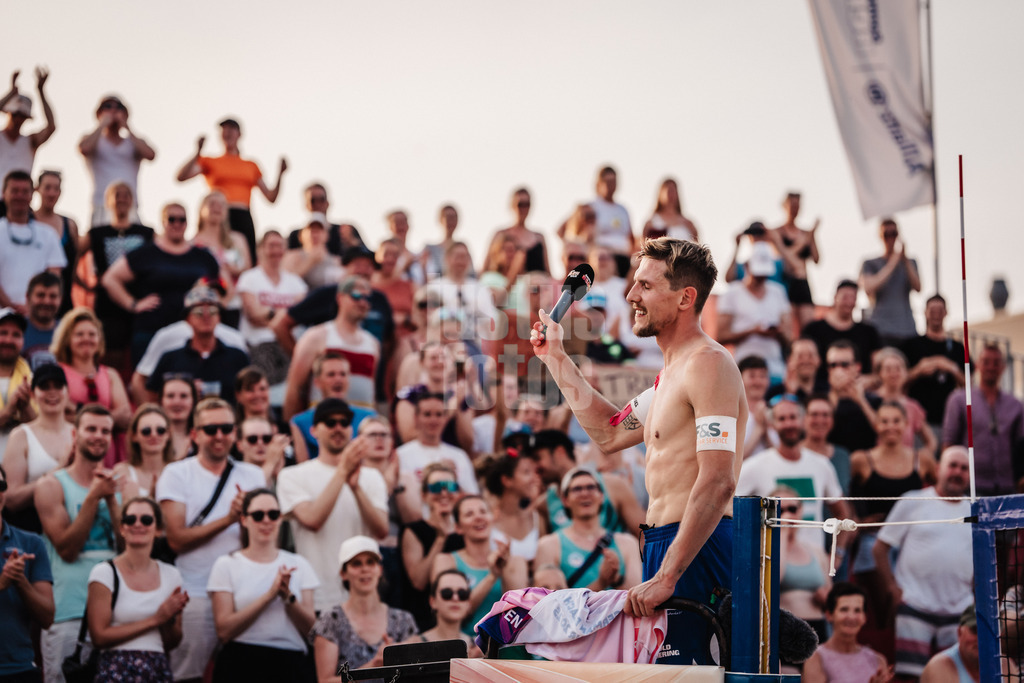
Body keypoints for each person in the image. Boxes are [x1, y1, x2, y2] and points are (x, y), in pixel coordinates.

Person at [530, 236, 743, 664]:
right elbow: (609, 433)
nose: (630, 296)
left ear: (685, 298)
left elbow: (718, 480)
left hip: (696, 548)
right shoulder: (671, 376)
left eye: (645, 286)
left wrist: (669, 574)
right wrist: (556, 358)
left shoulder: (709, 363)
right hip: (667, 546)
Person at [155, 397, 266, 683]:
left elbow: (259, 539)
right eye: (211, 428)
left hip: (243, 593)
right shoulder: (176, 473)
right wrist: (228, 519)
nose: (219, 435)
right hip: (195, 591)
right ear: (194, 434)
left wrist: (247, 520)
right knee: (187, 675)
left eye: (226, 428)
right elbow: (176, 539)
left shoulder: (253, 474)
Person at [33, 405, 120, 683]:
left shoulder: (115, 487)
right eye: (91, 429)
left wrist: (111, 500)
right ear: (75, 434)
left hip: (115, 614)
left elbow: (129, 547)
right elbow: (67, 550)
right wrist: (94, 497)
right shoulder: (51, 485)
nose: (98, 436)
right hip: (69, 612)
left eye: (105, 430)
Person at [276, 398, 388, 613]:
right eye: (330, 422)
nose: (338, 428)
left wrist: (356, 489)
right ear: (314, 430)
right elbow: (312, 520)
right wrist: (343, 472)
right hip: (317, 596)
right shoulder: (292, 476)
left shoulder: (371, 476)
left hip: (363, 598)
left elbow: (381, 530)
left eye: (344, 422)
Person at [873, 446, 974, 681]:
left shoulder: (975, 510)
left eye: (964, 468)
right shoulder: (912, 501)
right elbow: (880, 548)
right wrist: (892, 587)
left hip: (959, 610)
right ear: (938, 469)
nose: (957, 472)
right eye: (953, 466)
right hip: (914, 605)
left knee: (955, 677)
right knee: (911, 677)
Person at [208, 489, 317, 683]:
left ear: (280, 518)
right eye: (258, 516)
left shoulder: (299, 564)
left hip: (290, 662)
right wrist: (269, 595)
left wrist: (287, 597)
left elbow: (312, 631)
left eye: (273, 514)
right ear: (244, 520)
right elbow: (224, 630)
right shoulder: (227, 564)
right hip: (242, 660)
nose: (266, 521)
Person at [100, 202, 221, 365]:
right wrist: (133, 304)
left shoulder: (203, 256)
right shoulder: (146, 254)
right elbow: (110, 279)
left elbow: (220, 286)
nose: (177, 224)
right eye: (171, 219)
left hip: (192, 334)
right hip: (151, 330)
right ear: (163, 222)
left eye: (181, 219)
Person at [85, 497, 186, 683]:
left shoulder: (172, 575)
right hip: (115, 667)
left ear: (158, 529)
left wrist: (168, 619)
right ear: (122, 528)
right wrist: (155, 619)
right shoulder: (104, 572)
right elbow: (98, 637)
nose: (137, 524)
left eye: (146, 520)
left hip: (156, 667)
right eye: (130, 520)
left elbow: (173, 642)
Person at [734, 395, 851, 551]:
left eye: (793, 417)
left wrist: (837, 555)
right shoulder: (755, 466)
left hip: (814, 562)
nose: (789, 423)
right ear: (772, 424)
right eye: (782, 419)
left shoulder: (822, 465)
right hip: (771, 565)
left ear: (802, 421)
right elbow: (731, 511)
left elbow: (842, 513)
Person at [175, 118, 288, 263]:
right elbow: (181, 176)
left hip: (243, 216)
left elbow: (271, 197)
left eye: (231, 129)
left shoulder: (251, 165)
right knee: (219, 255)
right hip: (220, 215)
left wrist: (280, 175)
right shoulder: (210, 161)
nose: (228, 133)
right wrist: (197, 153)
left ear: (239, 134)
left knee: (246, 259)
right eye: (224, 130)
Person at [312, 536, 418, 675]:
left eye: (370, 562)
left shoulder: (403, 620)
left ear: (379, 570)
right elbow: (325, 681)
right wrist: (374, 666)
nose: (365, 569)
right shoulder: (330, 621)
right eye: (356, 564)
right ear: (343, 573)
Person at [282, 275, 381, 417]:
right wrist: (292, 426)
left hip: (361, 425)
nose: (362, 303)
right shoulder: (316, 336)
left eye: (367, 298)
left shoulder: (372, 343)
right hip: (324, 422)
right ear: (340, 298)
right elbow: (295, 387)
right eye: (356, 296)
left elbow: (371, 392)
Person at [82, 181, 154, 373]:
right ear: (108, 201)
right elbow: (73, 256)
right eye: (117, 195)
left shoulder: (146, 233)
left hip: (139, 299)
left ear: (132, 201)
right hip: (108, 304)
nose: (122, 199)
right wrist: (80, 282)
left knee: (140, 352)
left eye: (126, 195)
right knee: (111, 353)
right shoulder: (97, 233)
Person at [431, 496, 528, 636]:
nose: (478, 517)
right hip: (463, 645)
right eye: (469, 514)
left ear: (492, 517)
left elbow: (518, 614)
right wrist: (492, 577)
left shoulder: (516, 561)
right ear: (457, 527)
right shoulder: (446, 561)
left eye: (483, 512)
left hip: (503, 646)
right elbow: (448, 611)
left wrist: (504, 568)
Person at [534, 467, 642, 592]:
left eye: (591, 487)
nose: (585, 493)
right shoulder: (548, 546)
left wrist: (616, 579)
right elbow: (548, 604)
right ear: (565, 500)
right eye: (577, 489)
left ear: (602, 496)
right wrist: (601, 583)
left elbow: (637, 600)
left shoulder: (628, 543)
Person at [144, 284, 251, 405]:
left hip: (228, 421)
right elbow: (152, 394)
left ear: (219, 317)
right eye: (199, 311)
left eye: (212, 310)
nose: (206, 316)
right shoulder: (170, 358)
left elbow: (252, 391)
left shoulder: (237, 356)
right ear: (187, 319)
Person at [51, 308, 131, 467]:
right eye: (79, 334)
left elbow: (126, 416)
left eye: (92, 334)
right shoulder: (57, 373)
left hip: (109, 455)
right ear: (67, 339)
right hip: (71, 453)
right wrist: (108, 419)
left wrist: (78, 412)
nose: (86, 339)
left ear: (99, 340)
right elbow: (58, 416)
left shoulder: (111, 374)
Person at [942, 343, 1024, 497]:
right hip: (971, 486)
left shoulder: (1015, 405)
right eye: (986, 362)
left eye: (996, 362)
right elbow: (949, 443)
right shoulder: (960, 399)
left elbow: (1021, 445)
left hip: (1006, 486)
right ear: (977, 365)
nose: (991, 367)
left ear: (1003, 367)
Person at [0, 461, 56, 683]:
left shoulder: (31, 543)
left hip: (19, 668)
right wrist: (3, 582)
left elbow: (47, 617)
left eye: (0, 485)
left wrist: (20, 580)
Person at [2, 363, 73, 533]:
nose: (52, 392)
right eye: (44, 387)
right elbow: (11, 500)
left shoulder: (80, 433)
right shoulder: (21, 436)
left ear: (67, 391)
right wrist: (59, 470)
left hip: (74, 525)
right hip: (33, 528)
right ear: (33, 394)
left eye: (58, 386)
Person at [236, 230, 308, 385]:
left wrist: (268, 313)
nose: (276, 250)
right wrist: (286, 316)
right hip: (258, 345)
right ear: (260, 249)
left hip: (290, 345)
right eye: (271, 246)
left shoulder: (296, 282)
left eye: (279, 246)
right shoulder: (249, 278)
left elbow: (302, 315)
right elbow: (254, 315)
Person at [716, 241, 793, 384]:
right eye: (758, 274)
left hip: (775, 371)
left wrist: (778, 332)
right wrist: (753, 331)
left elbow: (789, 338)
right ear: (746, 266)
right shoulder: (732, 293)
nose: (761, 278)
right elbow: (720, 336)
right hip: (743, 370)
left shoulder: (778, 292)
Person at [77, 95, 156, 226]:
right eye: (107, 107)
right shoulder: (94, 140)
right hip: (101, 205)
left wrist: (128, 128)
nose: (113, 111)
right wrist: (102, 124)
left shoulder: (133, 142)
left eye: (118, 108)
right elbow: (84, 148)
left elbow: (151, 155)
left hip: (130, 207)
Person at [400, 463, 459, 630]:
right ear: (424, 495)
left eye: (450, 486)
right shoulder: (413, 531)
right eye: (436, 487)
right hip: (424, 620)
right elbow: (418, 581)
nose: (444, 493)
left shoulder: (465, 532)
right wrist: (440, 539)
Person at [289, 352, 376, 462]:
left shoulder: (369, 417)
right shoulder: (300, 422)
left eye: (343, 374)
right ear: (317, 382)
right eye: (331, 374)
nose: (338, 379)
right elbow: (303, 466)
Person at [0, 170, 65, 312]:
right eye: (14, 191)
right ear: (4, 194)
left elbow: (54, 277)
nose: (20, 196)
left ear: (31, 195)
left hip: (36, 317)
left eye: (25, 192)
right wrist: (10, 306)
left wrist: (33, 306)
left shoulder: (48, 235)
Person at [774, 487, 831, 644]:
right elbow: (774, 579)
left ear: (800, 510)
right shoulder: (765, 550)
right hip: (784, 628)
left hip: (817, 627)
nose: (787, 515)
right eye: (780, 509)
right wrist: (783, 532)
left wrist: (825, 597)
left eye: (792, 509)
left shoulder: (815, 551)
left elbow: (831, 595)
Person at [901, 294, 966, 433]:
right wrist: (918, 370)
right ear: (925, 313)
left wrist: (951, 368)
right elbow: (900, 382)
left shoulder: (957, 347)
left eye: (940, 311)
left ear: (946, 313)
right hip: (919, 423)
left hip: (949, 420)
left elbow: (968, 386)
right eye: (932, 311)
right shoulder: (911, 345)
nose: (936, 315)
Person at [802, 582, 892, 683]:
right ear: (829, 615)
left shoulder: (877, 660)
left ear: (864, 617)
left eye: (857, 610)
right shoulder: (816, 659)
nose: (851, 617)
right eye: (844, 610)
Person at [802, 279, 882, 391]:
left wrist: (870, 379)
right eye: (845, 297)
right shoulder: (813, 329)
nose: (849, 302)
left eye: (853, 298)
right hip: (821, 390)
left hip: (860, 390)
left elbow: (879, 367)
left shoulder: (869, 331)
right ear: (835, 297)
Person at [396, 393, 479, 494]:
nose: (433, 420)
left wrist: (452, 479)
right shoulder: (401, 455)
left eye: (439, 414)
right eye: (427, 414)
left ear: (446, 418)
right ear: (416, 418)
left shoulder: (459, 456)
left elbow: (472, 496)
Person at [860, 218, 921, 346]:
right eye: (886, 234)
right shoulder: (870, 263)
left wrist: (904, 260)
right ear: (880, 236)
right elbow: (869, 288)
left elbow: (918, 287)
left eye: (893, 233)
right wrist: (893, 260)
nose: (890, 238)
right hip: (881, 329)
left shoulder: (910, 262)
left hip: (907, 328)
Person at [191, 192, 248, 327]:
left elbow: (247, 268)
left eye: (222, 205)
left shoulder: (237, 239)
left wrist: (233, 270)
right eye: (212, 204)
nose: (217, 208)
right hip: (207, 306)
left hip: (237, 305)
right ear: (201, 209)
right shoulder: (193, 244)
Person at [401, 569, 483, 657]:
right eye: (447, 593)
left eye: (462, 594)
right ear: (432, 601)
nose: (455, 598)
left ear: (468, 603)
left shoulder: (480, 648)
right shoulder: (414, 645)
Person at [872, 347, 938, 456]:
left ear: (906, 372)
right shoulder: (870, 400)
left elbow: (931, 442)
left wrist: (916, 461)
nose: (894, 373)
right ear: (879, 373)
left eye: (898, 368)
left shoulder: (912, 406)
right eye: (888, 369)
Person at [483, 450, 544, 565]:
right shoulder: (486, 520)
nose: (533, 479)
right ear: (507, 480)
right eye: (526, 472)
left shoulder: (537, 519)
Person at [31, 172, 78, 316]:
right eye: (47, 188)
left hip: (62, 302)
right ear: (37, 189)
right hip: (33, 302)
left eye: (56, 188)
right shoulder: (27, 221)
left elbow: (74, 264)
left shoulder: (70, 224)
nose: (52, 193)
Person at [771, 191, 820, 329]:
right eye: (792, 205)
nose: (795, 209)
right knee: (787, 327)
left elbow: (816, 259)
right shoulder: (776, 232)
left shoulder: (806, 233)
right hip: (785, 281)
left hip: (802, 282)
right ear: (784, 206)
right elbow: (782, 256)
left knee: (809, 327)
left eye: (797, 206)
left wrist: (812, 236)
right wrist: (803, 242)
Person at [826, 340, 882, 454]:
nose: (838, 370)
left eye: (844, 364)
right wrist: (835, 392)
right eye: (833, 365)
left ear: (857, 367)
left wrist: (861, 400)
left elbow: (884, 431)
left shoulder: (874, 400)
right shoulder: (820, 399)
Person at [0, 68, 55, 182]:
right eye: (15, 114)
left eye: (22, 116)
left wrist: (41, 91)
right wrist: (11, 93)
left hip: (21, 198)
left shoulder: (30, 141)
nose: (18, 120)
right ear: (8, 113)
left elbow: (51, 127)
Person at [113, 405, 176, 501]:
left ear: (168, 435)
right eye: (146, 431)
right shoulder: (123, 472)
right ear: (134, 436)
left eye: (160, 430)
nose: (154, 435)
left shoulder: (180, 470)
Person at [483, 187, 549, 276]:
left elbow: (547, 271)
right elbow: (485, 268)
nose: (524, 208)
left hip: (535, 287)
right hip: (506, 288)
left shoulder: (539, 237)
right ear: (512, 205)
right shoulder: (500, 235)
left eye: (527, 204)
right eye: (520, 204)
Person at [286, 182, 365, 255]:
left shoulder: (344, 231)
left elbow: (368, 257)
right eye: (312, 200)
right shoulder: (295, 236)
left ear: (327, 203)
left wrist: (353, 242)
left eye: (321, 199)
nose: (317, 204)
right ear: (306, 205)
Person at [0, 308, 36, 456]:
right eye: (3, 333)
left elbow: (41, 429)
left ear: (23, 341)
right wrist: (9, 411)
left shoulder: (33, 379)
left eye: (16, 335)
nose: (9, 340)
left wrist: (26, 406)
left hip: (19, 463)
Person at [802, 395, 853, 495]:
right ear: (803, 419)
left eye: (825, 415)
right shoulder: (792, 454)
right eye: (814, 414)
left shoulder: (842, 456)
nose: (820, 420)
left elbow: (846, 499)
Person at [588, 166, 634, 277]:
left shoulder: (622, 210)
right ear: (599, 183)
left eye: (613, 181)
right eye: (607, 181)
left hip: (623, 260)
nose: (610, 185)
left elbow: (630, 237)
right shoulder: (591, 207)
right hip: (601, 261)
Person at [281, 213, 344, 290]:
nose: (314, 234)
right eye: (311, 230)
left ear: (327, 235)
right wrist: (310, 262)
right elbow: (284, 284)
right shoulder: (292, 257)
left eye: (319, 230)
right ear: (301, 235)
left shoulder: (336, 261)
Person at [919, 605, 980, 683]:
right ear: (959, 633)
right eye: (975, 631)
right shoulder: (940, 667)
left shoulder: (999, 662)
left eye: (987, 633)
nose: (981, 639)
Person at [21, 271, 63, 365]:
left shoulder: (68, 332)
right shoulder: (16, 331)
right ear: (28, 297)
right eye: (41, 295)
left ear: (60, 299)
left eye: (53, 296)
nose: (47, 301)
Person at [766, 337, 821, 405]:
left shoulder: (827, 391)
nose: (806, 361)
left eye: (810, 356)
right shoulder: (774, 393)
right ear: (789, 361)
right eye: (800, 356)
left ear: (819, 360)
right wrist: (790, 394)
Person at [642, 177, 699, 243]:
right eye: (668, 190)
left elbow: (696, 246)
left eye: (673, 190)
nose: (670, 194)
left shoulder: (688, 224)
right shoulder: (651, 223)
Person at [236, 417, 289, 487]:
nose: (260, 443)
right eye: (252, 439)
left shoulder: (285, 472)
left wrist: (279, 474)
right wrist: (270, 463)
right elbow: (251, 493)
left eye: (266, 438)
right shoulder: (233, 473)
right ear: (239, 445)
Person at [159, 376, 197, 461]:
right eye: (170, 396)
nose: (177, 402)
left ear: (193, 401)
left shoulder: (205, 436)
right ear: (161, 401)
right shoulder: (151, 436)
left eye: (183, 396)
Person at [422, 204, 463, 278]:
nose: (451, 221)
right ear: (440, 220)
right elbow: (428, 275)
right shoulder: (430, 249)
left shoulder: (463, 249)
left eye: (454, 217)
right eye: (448, 217)